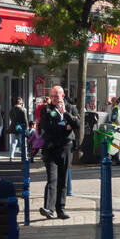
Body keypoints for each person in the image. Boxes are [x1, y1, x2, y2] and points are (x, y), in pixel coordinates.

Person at [37, 85, 80, 220]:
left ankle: (60, 209)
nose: (55, 98)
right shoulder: (46, 109)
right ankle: (48, 208)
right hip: (51, 148)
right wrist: (65, 127)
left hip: (66, 147)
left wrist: (66, 114)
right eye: (53, 96)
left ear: (63, 95)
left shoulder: (71, 108)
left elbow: (77, 124)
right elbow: (47, 127)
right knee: (52, 178)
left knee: (63, 179)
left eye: (57, 96)